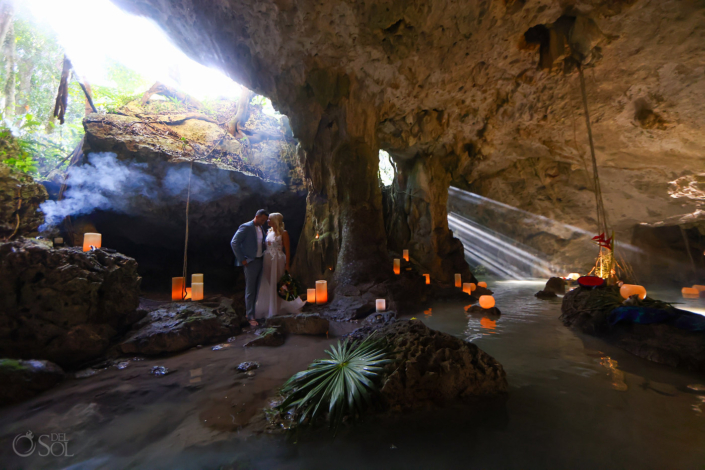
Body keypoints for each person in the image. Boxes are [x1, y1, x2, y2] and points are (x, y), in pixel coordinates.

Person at [255, 212, 305, 317]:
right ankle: (270, 306)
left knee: (278, 282)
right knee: (269, 282)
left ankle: (277, 308)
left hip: (278, 259)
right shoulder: (268, 232)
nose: (268, 221)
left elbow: (287, 249)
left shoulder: (283, 233)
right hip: (268, 258)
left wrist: (287, 264)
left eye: (269, 219)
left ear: (275, 221)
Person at [231, 209, 269, 326]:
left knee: (258, 288)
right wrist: (242, 259)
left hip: (260, 260)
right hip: (250, 262)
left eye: (265, 221)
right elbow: (234, 242)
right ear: (256, 216)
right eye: (262, 220)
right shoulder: (246, 227)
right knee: (250, 289)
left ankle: (256, 313)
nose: (263, 222)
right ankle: (250, 315)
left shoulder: (261, 228)